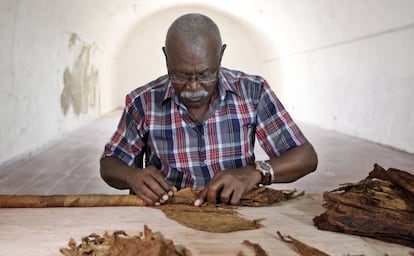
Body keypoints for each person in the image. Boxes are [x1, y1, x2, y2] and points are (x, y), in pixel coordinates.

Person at [100, 13, 318, 207]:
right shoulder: (144, 101)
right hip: (168, 212)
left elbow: (305, 156)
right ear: (166, 58)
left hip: (235, 210)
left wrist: (254, 172)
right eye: (181, 75)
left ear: (221, 55)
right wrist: (131, 176)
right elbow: (110, 164)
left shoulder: (253, 92)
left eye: (205, 74)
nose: (193, 87)